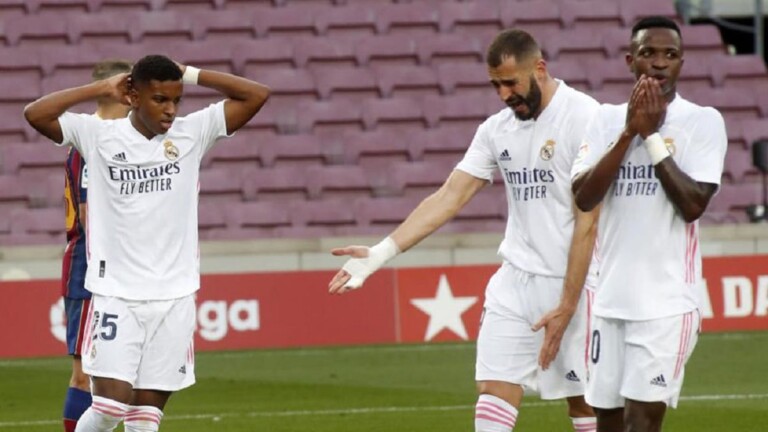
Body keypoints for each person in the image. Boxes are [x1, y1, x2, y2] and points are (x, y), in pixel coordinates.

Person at [328, 29, 599, 432]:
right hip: (516, 280)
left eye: (511, 82)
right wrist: (381, 253)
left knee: (585, 403)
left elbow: (588, 220)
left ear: (539, 69)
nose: (504, 94)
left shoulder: (586, 117)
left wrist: (568, 302)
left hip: (575, 282)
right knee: (493, 387)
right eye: (495, 85)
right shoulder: (496, 129)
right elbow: (449, 196)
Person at [25, 54, 270, 432]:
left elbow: (257, 95)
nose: (170, 110)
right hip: (115, 295)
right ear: (133, 97)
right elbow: (36, 114)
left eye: (176, 100)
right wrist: (100, 88)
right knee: (107, 408)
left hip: (176, 298)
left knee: (145, 420)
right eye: (160, 99)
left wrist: (188, 73)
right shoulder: (98, 136)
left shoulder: (192, 133)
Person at [570, 16, 727, 432]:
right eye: (648, 53)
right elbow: (584, 197)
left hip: (666, 305)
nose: (659, 63)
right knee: (606, 422)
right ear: (629, 60)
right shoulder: (604, 119)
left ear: (681, 63)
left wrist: (653, 138)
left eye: (670, 55)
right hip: (609, 302)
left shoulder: (703, 121)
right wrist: (628, 134)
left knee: (641, 423)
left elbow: (693, 204)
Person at [62, 59, 133, 432]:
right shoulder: (93, 142)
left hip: (113, 266)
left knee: (121, 374)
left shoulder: (106, 138)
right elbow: (93, 218)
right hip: (90, 268)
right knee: (85, 374)